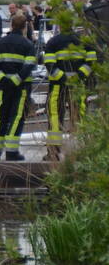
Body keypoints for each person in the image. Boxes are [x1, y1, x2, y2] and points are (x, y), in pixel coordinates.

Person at [43, 16, 97, 160]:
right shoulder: (84, 42)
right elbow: (91, 62)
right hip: (78, 86)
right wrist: (78, 76)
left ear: (59, 26)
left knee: (55, 117)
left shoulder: (52, 42)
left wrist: (62, 78)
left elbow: (49, 64)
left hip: (57, 86)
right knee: (79, 118)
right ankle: (79, 152)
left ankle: (53, 154)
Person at [0, 13, 36, 161]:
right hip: (21, 87)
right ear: (25, 27)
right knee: (16, 117)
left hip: (3, 86)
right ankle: (12, 152)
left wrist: (1, 77)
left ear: (12, 25)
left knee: (0, 116)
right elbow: (29, 66)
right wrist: (16, 79)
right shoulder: (28, 45)